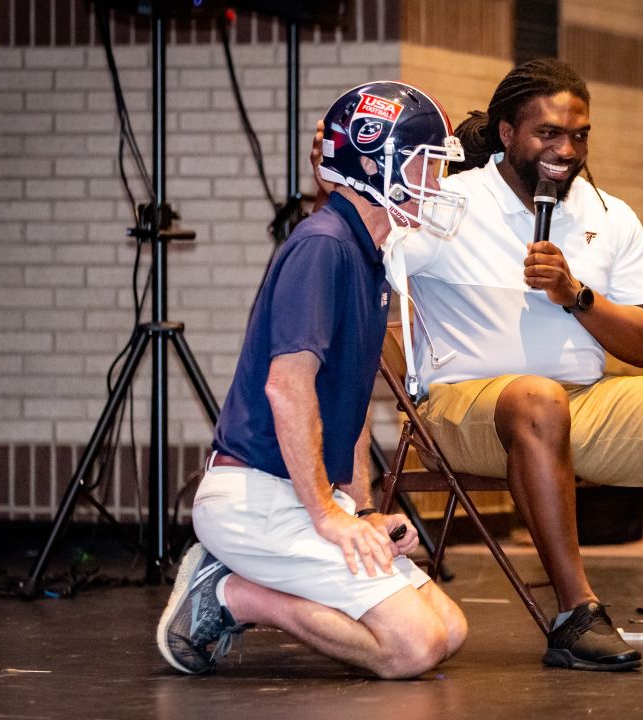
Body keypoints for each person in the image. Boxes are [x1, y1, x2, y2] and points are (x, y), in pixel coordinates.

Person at [312, 59, 643, 671]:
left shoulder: (608, 214)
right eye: (548, 134)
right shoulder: (443, 204)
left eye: (579, 135)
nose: (565, 150)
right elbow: (353, 256)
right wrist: (331, 178)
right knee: (538, 399)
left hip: (582, 400)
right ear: (508, 133)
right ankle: (575, 614)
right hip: (462, 405)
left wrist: (577, 297)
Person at [157, 81, 469, 680]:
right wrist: (328, 514)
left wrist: (362, 507)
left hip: (298, 496)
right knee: (413, 647)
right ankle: (228, 594)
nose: (435, 183)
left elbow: (343, 404)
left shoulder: (368, 253)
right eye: (426, 165)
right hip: (257, 500)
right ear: (376, 165)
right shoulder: (322, 246)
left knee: (450, 629)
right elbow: (287, 389)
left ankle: (241, 581)